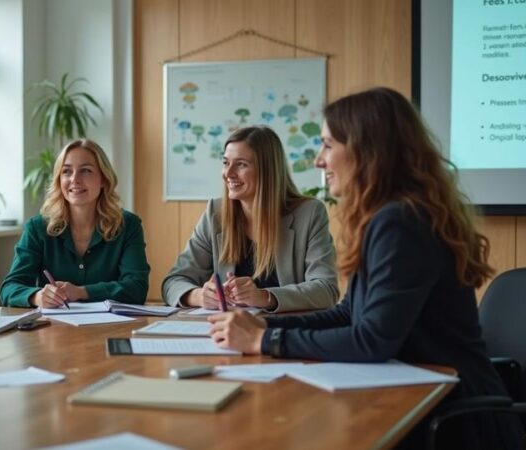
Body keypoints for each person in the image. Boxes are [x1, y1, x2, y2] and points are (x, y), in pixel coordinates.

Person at [208, 88, 525, 449]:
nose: (318, 161)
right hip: (423, 397)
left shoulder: (401, 221)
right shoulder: (388, 215)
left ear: (365, 151)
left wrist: (265, 340)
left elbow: (371, 339)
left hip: (450, 417)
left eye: (328, 145)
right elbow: (348, 313)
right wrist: (264, 324)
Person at [162, 126, 339, 313]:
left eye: (241, 164)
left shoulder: (309, 213)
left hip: (284, 333)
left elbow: (326, 289)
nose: (228, 173)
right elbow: (172, 283)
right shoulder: (215, 213)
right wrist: (198, 296)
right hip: (226, 332)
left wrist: (265, 297)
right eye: (225, 162)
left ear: (267, 170)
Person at [0, 139, 149, 308]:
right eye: (66, 171)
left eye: (86, 171)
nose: (74, 179)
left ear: (103, 179)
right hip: (53, 329)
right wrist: (37, 296)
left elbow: (137, 288)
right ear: (59, 180)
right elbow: (9, 288)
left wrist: (81, 292)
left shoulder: (127, 225)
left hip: (110, 328)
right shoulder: (37, 228)